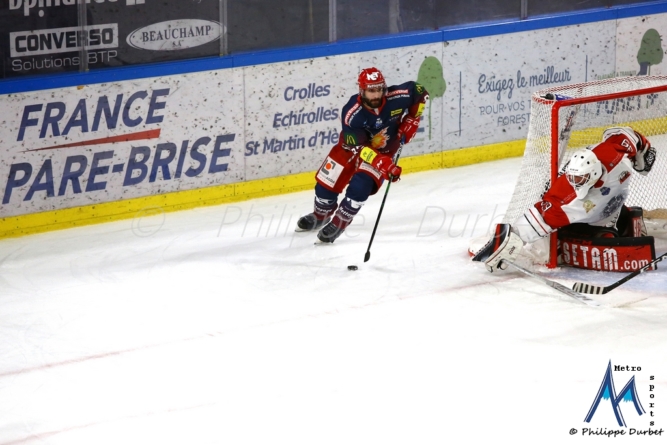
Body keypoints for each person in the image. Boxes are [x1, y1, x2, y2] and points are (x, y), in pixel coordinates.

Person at [473, 126, 657, 272]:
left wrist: (643, 151)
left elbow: (622, 133)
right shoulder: (565, 198)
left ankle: (613, 225)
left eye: (580, 179)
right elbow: (536, 218)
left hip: (611, 206)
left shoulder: (614, 155)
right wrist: (506, 245)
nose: (575, 183)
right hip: (591, 215)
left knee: (609, 230)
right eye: (573, 178)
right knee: (602, 237)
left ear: (593, 173)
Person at [296, 67, 429, 243]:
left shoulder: (398, 95)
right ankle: (321, 215)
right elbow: (359, 148)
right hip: (351, 146)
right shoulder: (352, 113)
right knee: (325, 186)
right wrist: (383, 164)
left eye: (379, 89)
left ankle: (339, 223)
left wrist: (413, 118)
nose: (376, 95)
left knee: (361, 186)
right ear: (362, 90)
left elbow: (420, 92)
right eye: (371, 91)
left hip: (385, 149)